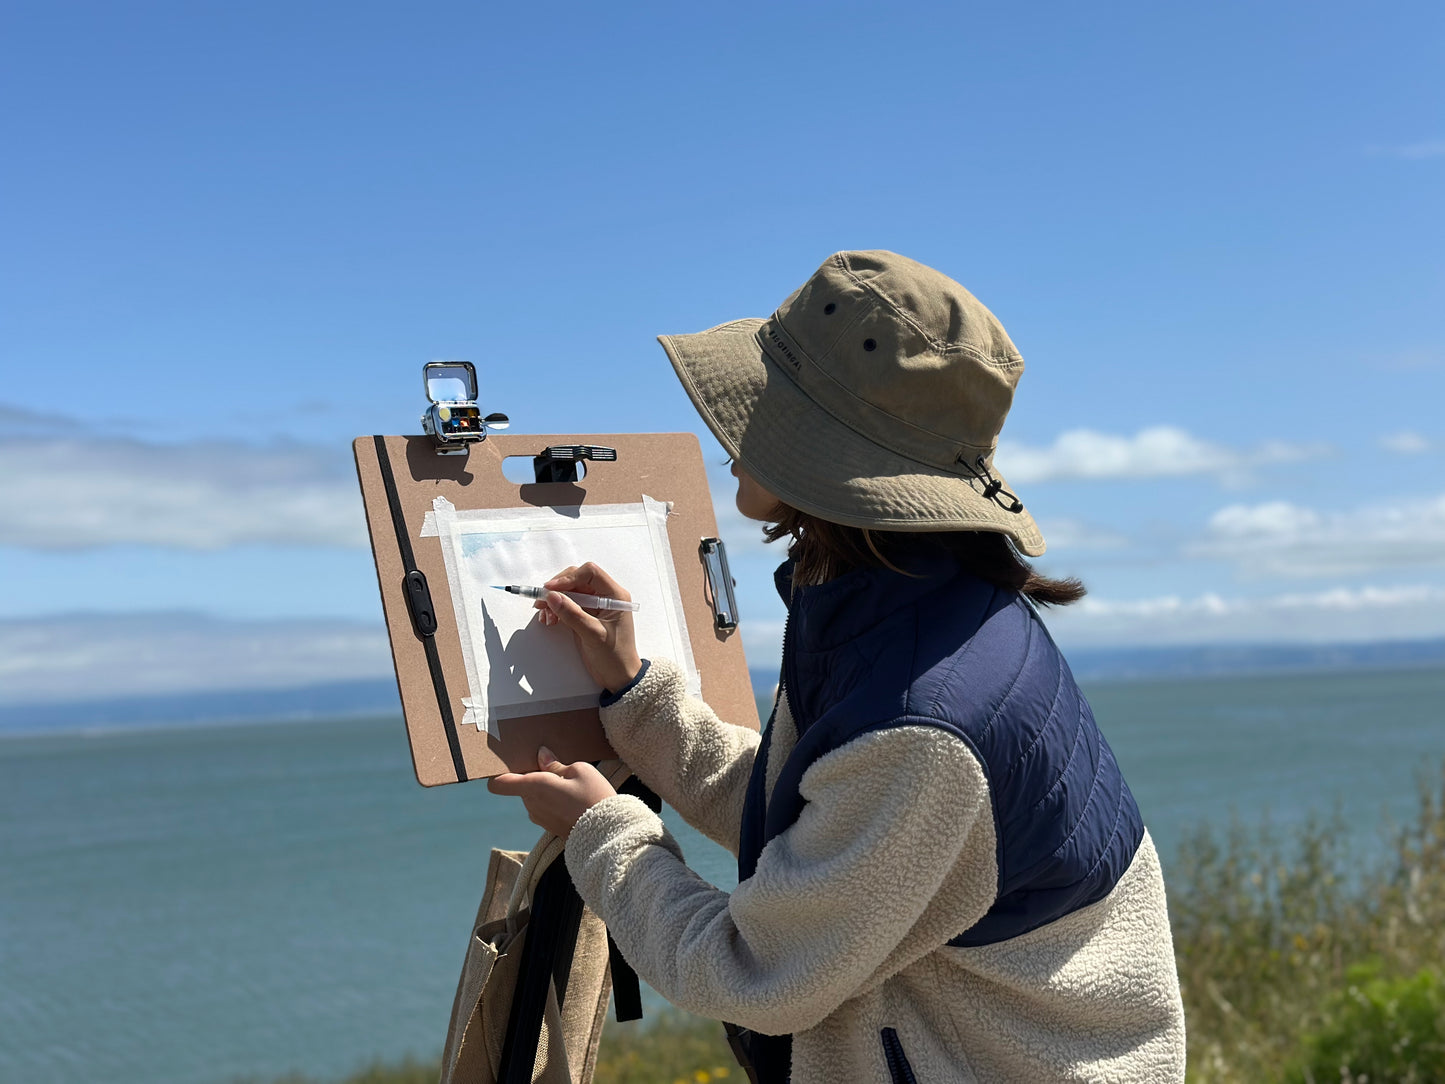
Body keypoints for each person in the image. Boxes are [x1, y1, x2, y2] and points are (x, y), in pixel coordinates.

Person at [489, 251, 1187, 1082]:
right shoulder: (915, 615)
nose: (729, 431)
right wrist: (638, 696)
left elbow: (755, 972)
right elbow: (813, 820)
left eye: (764, 408)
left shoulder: (919, 717)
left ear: (823, 459)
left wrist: (603, 834)